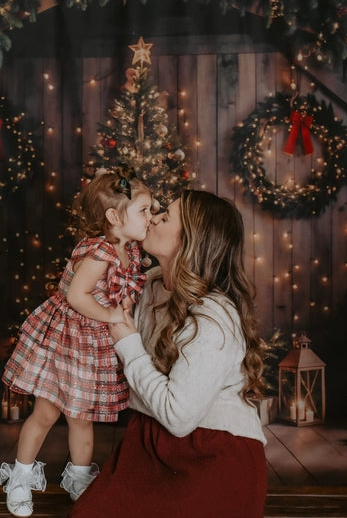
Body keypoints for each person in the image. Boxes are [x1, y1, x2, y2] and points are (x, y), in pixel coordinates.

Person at [67, 189, 268, 518]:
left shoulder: (214, 317)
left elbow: (178, 417)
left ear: (190, 240)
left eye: (165, 216)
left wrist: (128, 343)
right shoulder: (150, 285)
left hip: (213, 450)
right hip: (148, 442)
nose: (153, 218)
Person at [0, 168, 154, 517]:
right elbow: (76, 295)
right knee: (46, 412)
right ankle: (20, 477)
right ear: (114, 217)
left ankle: (79, 481)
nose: (151, 217)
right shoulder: (100, 253)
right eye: (144, 210)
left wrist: (123, 310)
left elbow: (123, 291)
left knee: (81, 416)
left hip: (91, 345)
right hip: (67, 341)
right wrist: (112, 315)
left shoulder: (129, 250)